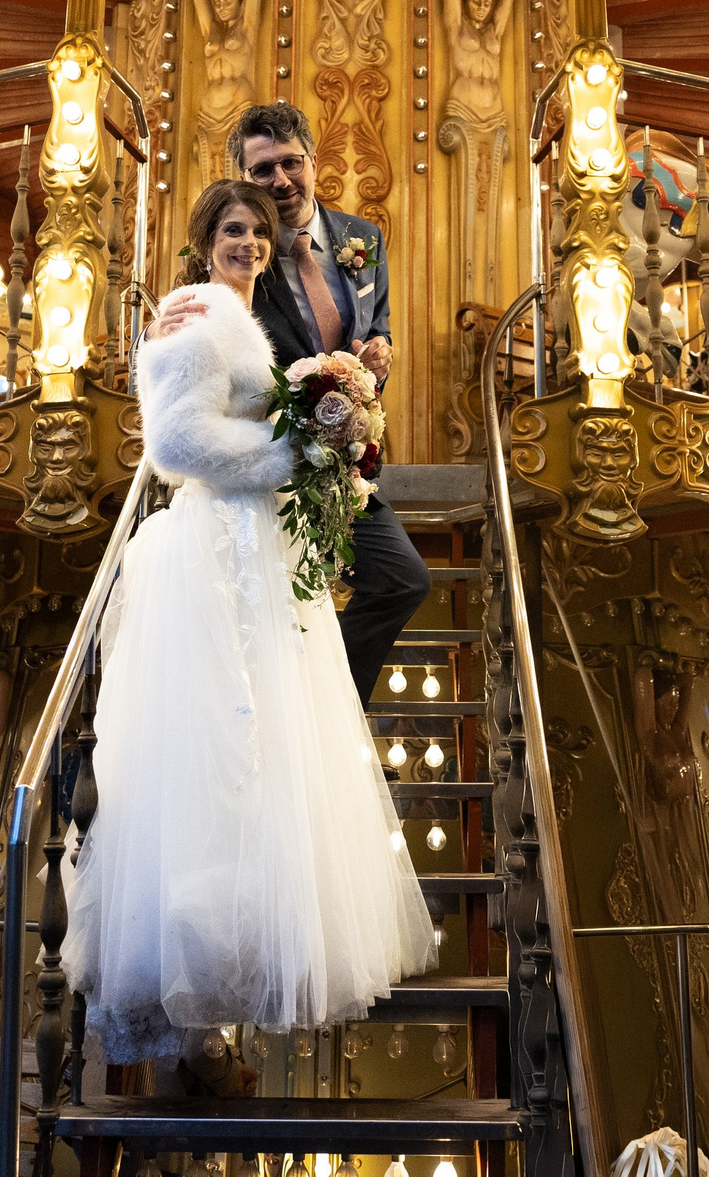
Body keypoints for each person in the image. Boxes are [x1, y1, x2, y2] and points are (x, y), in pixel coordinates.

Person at [66, 179, 436, 1066]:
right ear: (205, 239)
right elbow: (177, 443)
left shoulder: (241, 316)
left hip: (257, 544)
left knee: (261, 745)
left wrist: (321, 427)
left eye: (259, 233)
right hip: (215, 546)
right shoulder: (193, 317)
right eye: (233, 230)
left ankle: (238, 958)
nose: (249, 243)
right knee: (216, 746)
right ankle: (199, 974)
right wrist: (288, 453)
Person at [150, 102, 430, 703]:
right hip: (270, 459)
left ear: (311, 158)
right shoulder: (244, 245)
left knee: (402, 580)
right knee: (272, 619)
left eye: (291, 163)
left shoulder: (363, 239)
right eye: (263, 170)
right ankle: (293, 715)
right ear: (243, 179)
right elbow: (187, 331)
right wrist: (152, 334)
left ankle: (331, 706)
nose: (280, 180)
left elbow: (373, 325)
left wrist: (379, 355)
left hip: (340, 459)